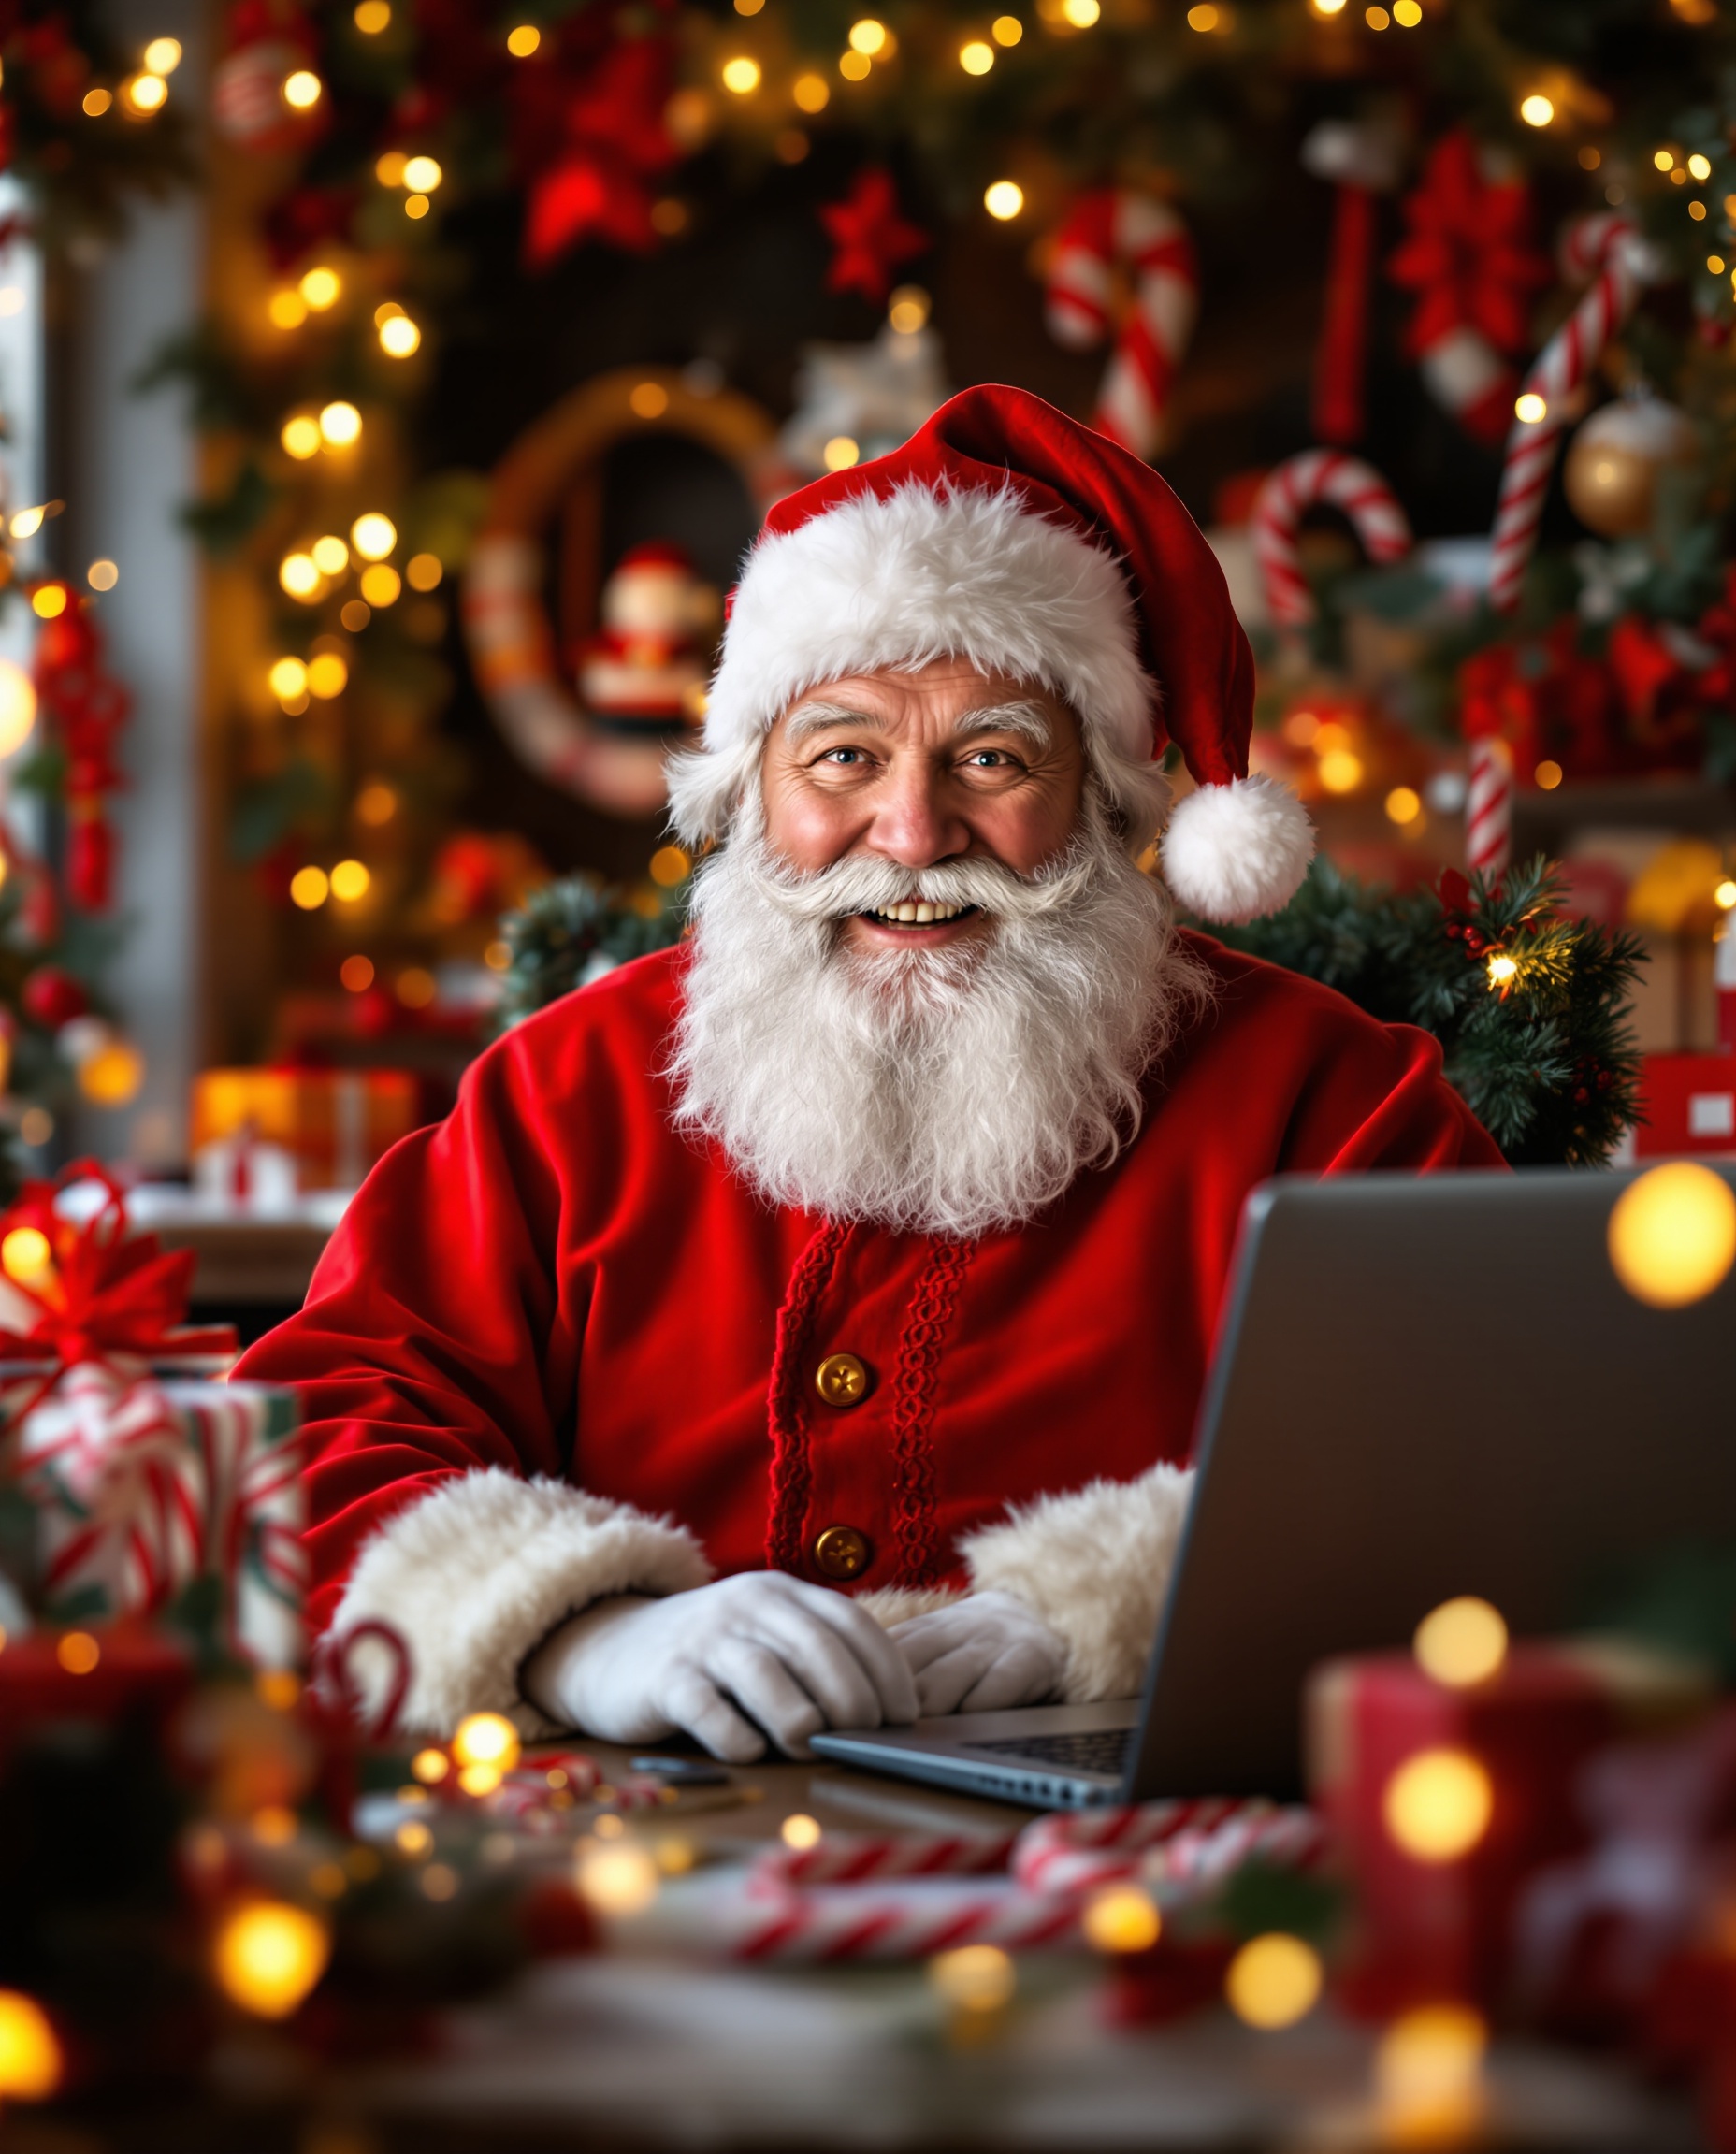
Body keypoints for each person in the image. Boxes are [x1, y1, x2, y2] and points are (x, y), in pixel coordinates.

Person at [239, 385, 1502, 1760]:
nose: (909, 831)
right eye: (843, 754)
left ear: (1102, 798)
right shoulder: (564, 1096)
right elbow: (304, 1441)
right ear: (752, 792)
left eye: (994, 757)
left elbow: (1494, 1450)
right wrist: (573, 1632)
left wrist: (1141, 1599)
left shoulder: (1332, 1099)